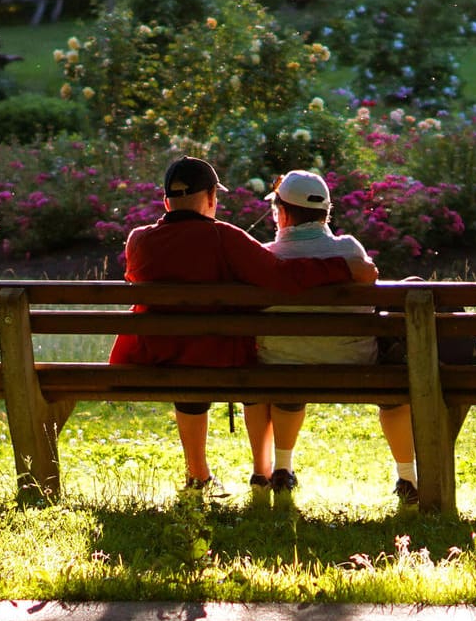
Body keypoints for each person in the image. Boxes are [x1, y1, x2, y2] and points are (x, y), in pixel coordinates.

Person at [108, 156, 377, 497]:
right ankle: (263, 471)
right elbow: (281, 276)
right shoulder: (224, 237)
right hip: (219, 358)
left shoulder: (138, 240)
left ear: (165, 202)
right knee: (237, 356)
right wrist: (343, 267)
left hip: (158, 357)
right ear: (210, 198)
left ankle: (198, 475)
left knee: (186, 356)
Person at [257, 169, 422, 506]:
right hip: (356, 363)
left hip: (280, 365)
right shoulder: (349, 249)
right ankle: (408, 477)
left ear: (283, 213)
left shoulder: (264, 256)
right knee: (395, 390)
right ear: (326, 214)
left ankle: (283, 470)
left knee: (291, 371)